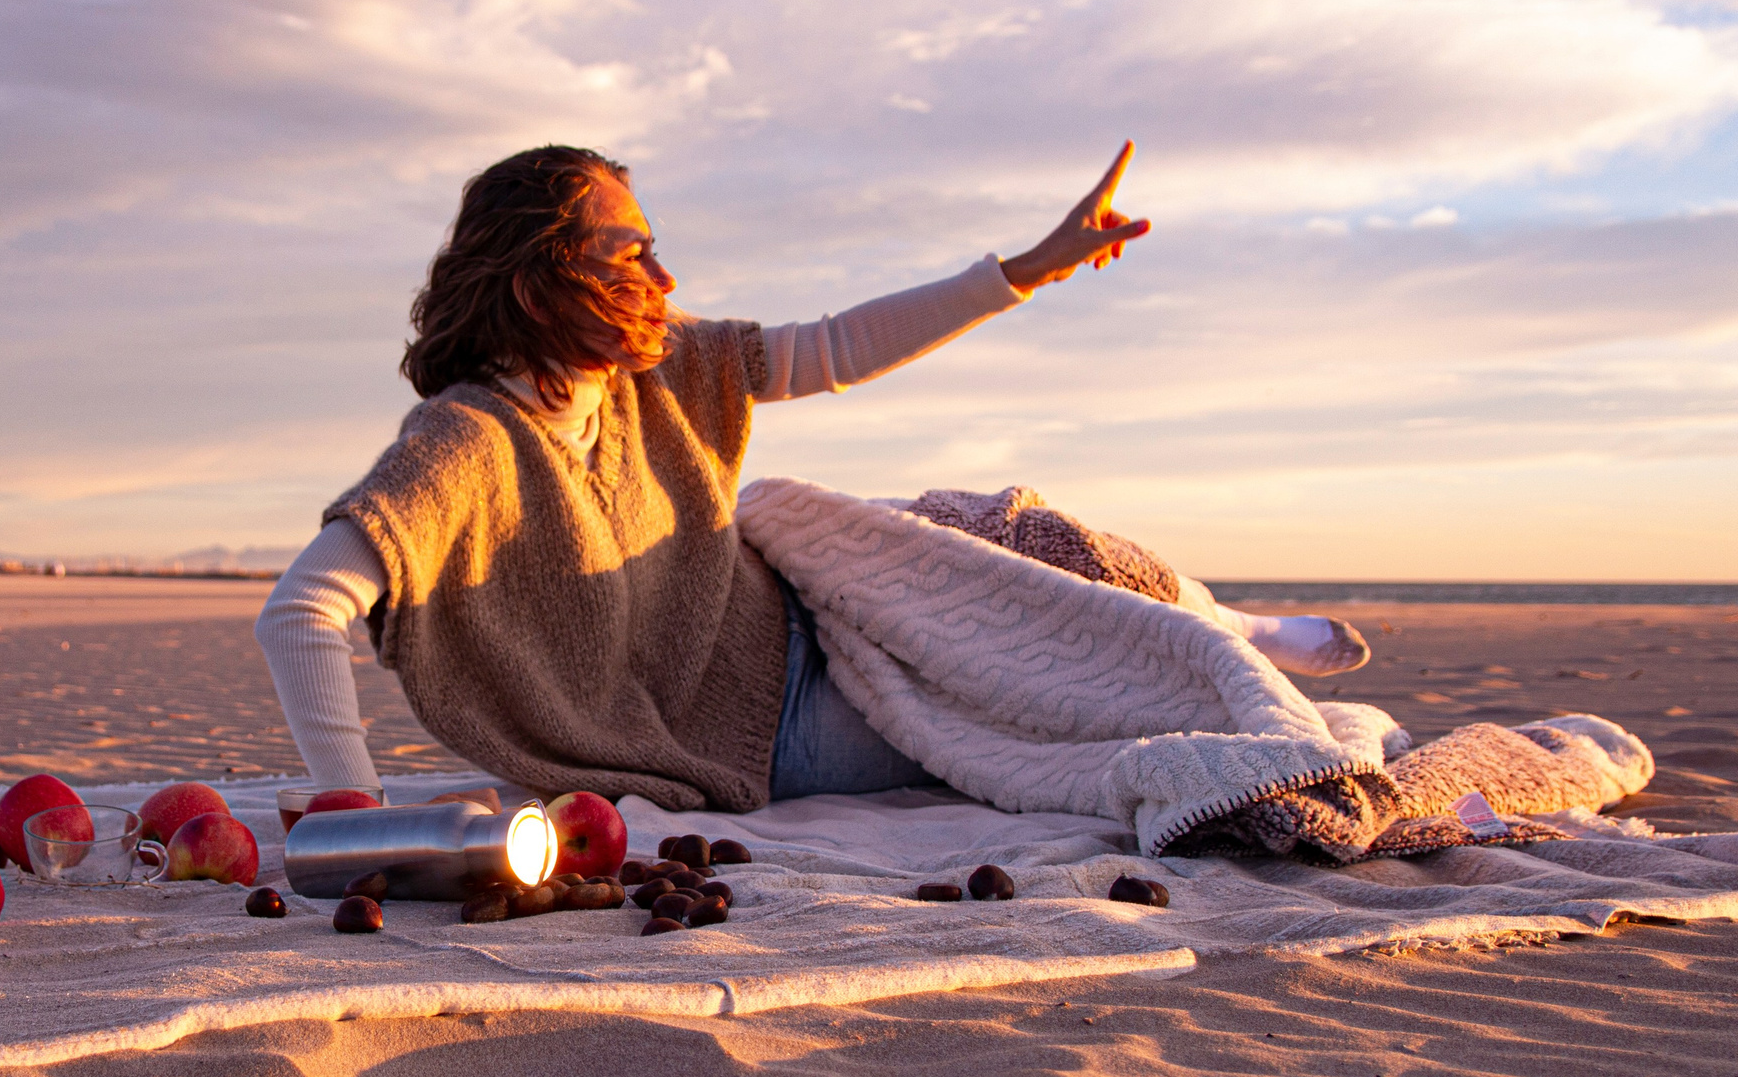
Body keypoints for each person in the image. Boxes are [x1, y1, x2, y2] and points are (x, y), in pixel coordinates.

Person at [254, 143, 1368, 811]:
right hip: (763, 731)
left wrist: (1029, 267)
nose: (663, 272)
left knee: (1011, 531)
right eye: (629, 250)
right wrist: (350, 802)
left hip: (804, 607)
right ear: (544, 276)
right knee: (1053, 712)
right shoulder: (471, 441)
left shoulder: (658, 367)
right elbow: (301, 610)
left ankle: (1232, 626)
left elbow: (834, 347)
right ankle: (1221, 658)